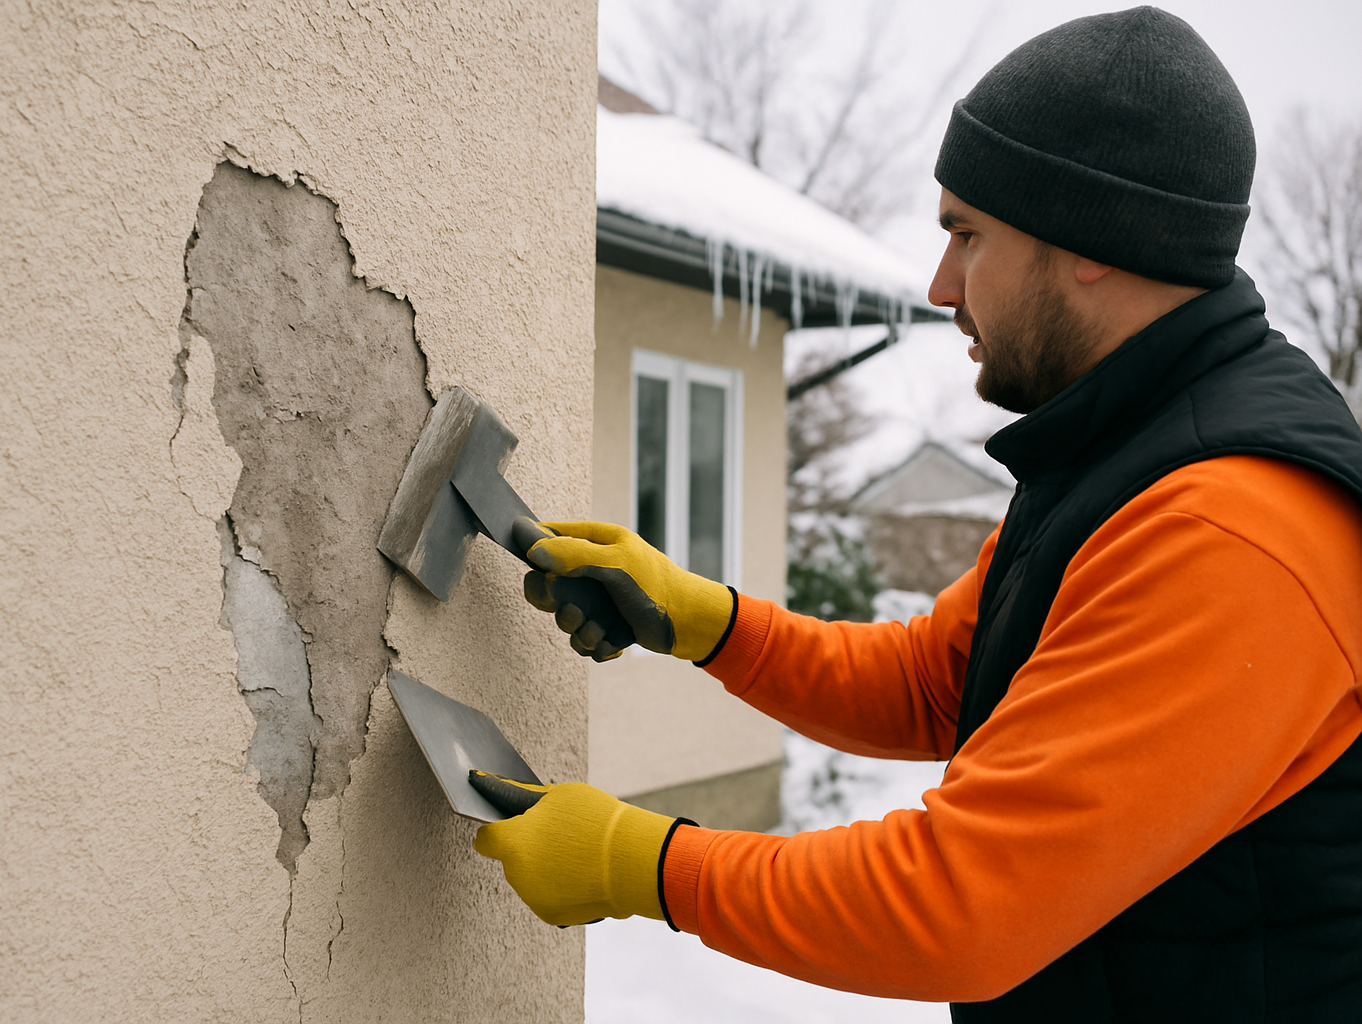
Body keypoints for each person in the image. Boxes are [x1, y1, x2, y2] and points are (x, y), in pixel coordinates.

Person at [473, 7, 1362, 1019]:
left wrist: (644, 864)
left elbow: (962, 904)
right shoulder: (1123, 452)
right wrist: (706, 620)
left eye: (966, 235)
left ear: (1092, 239)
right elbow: (936, 684)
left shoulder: (1229, 529)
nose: (941, 287)